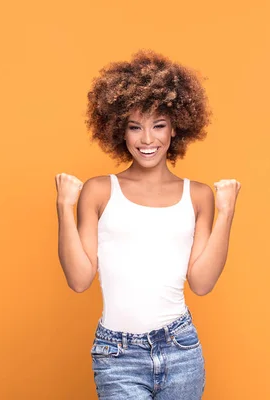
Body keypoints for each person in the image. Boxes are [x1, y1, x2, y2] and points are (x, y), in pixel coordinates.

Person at [55, 50, 241, 400]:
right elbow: (79, 280)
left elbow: (201, 283)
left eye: (158, 125)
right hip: (117, 355)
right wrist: (64, 206)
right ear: (119, 131)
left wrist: (226, 214)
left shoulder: (199, 196)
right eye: (135, 126)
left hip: (180, 348)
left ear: (176, 129)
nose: (147, 139)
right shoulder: (98, 191)